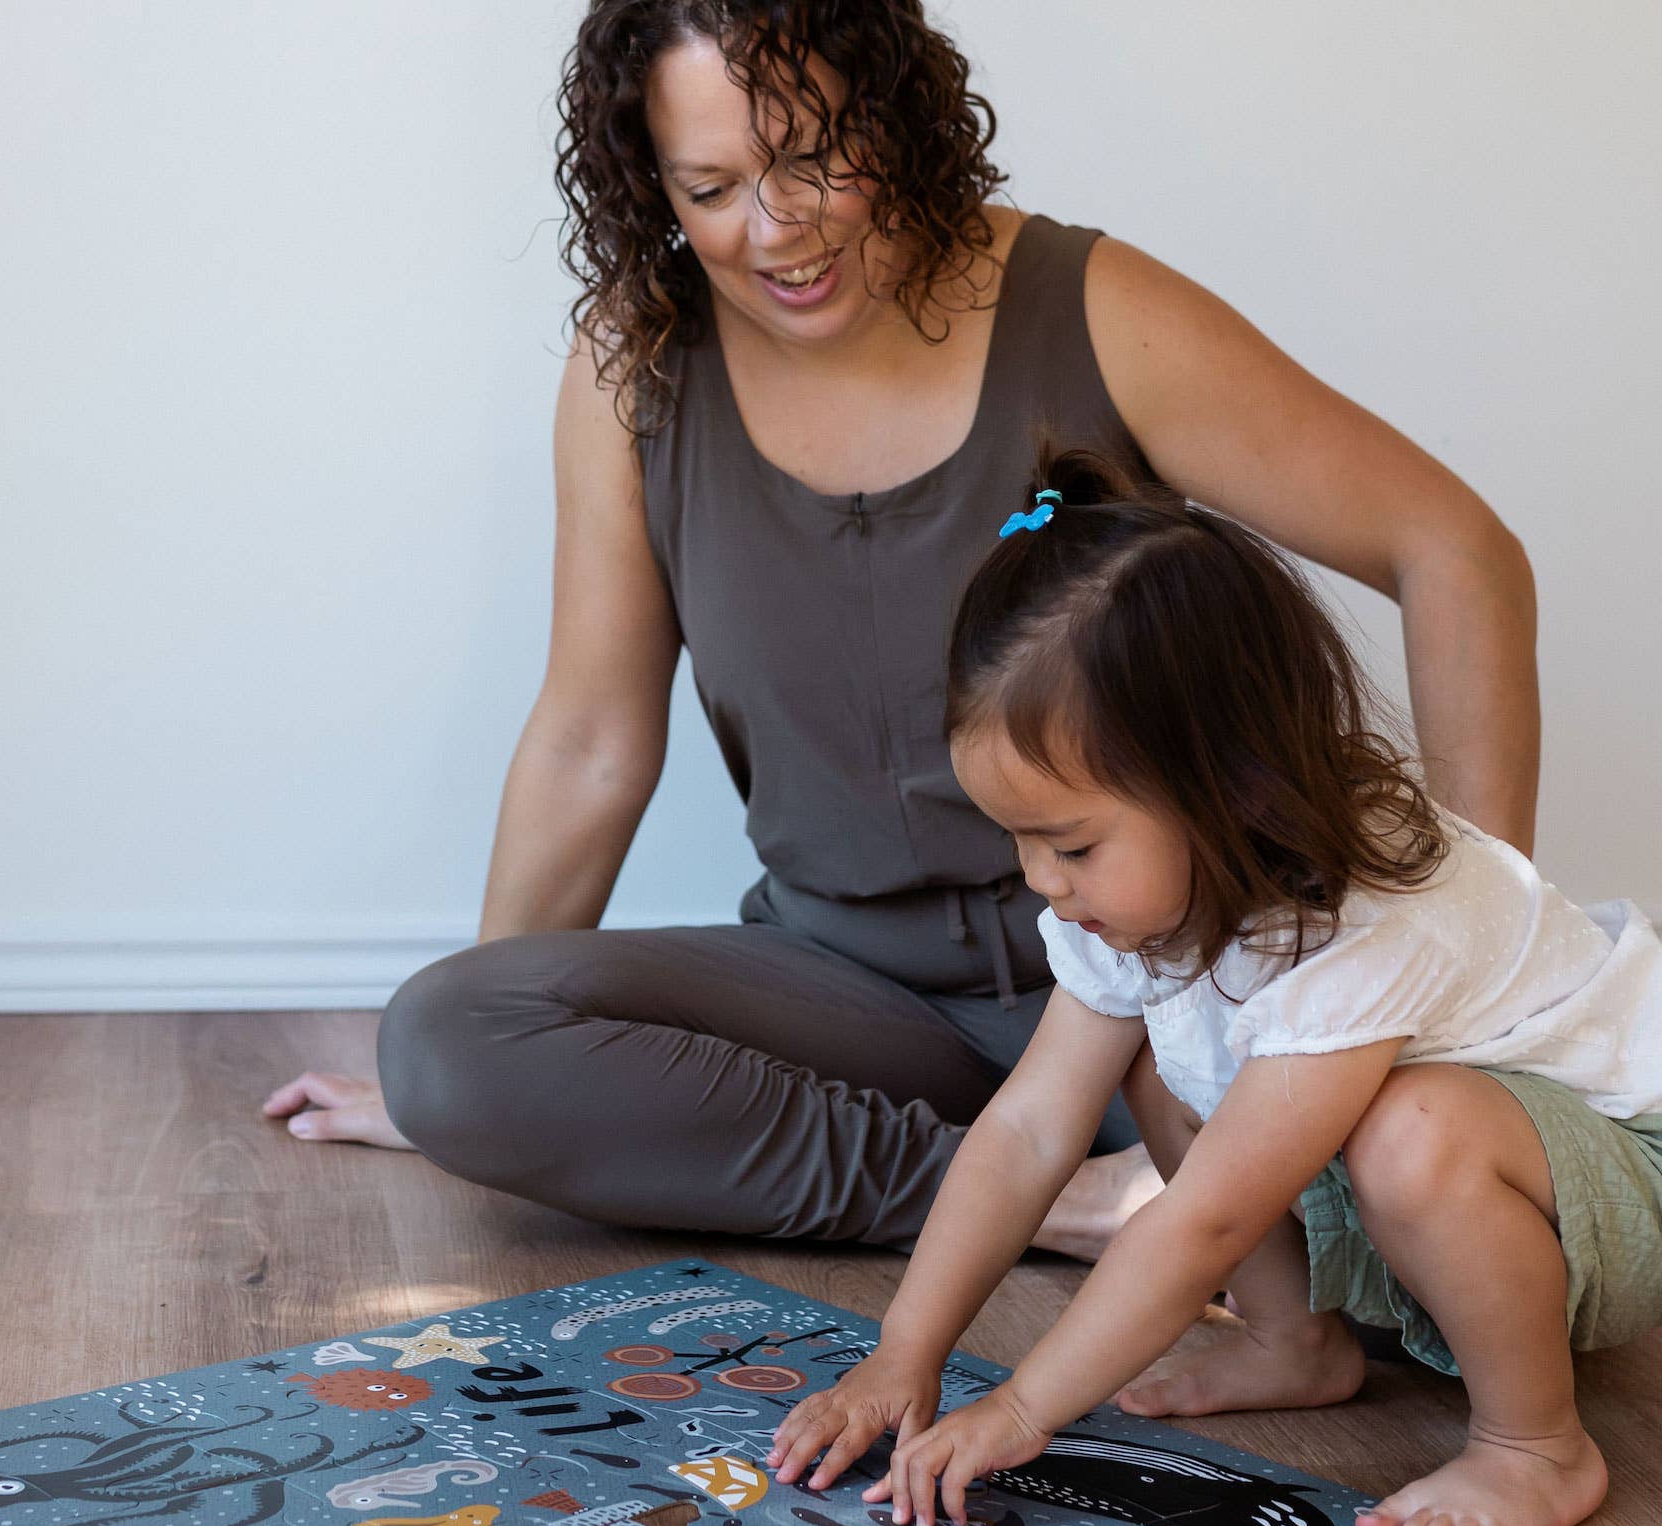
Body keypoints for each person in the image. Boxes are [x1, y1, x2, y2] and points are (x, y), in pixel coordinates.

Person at [265, 0, 1539, 1262]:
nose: (777, 229)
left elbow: (1453, 551)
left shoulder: (1087, 307)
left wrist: (1467, 947)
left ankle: (1106, 1175)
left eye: (814, 155)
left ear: (893, 113)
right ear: (647, 185)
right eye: (711, 187)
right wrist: (484, 1079)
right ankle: (1065, 1200)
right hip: (848, 996)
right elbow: (593, 741)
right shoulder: (636, 364)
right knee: (445, 1040)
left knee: (1410, 1190)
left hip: (1144, 987)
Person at [769, 446, 1662, 1526]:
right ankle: (1294, 1341)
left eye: (1071, 843)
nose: (1040, 881)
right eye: (1018, 839)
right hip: (1456, 1172)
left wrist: (1020, 1406)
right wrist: (907, 1347)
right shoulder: (1144, 901)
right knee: (1154, 1046)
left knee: (1410, 1129)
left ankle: (1534, 1441)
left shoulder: (1379, 913)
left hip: (1619, 1185)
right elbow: (1029, 1125)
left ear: (1226, 786)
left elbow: (1209, 1218)